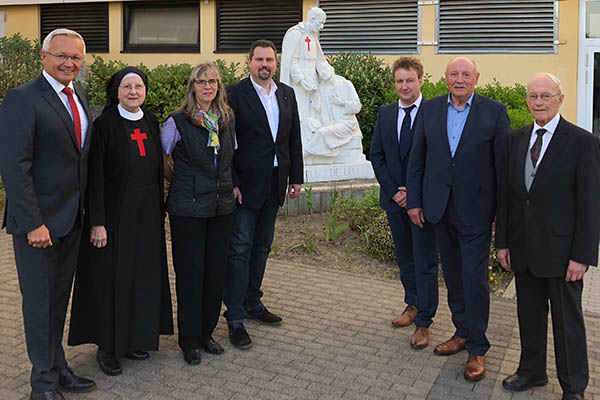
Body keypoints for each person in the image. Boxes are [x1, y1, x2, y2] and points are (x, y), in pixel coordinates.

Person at [0, 28, 96, 400]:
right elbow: (14, 166)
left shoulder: (79, 94)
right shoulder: (22, 99)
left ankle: (58, 368)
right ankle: (41, 385)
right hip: (38, 225)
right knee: (39, 305)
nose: (69, 63)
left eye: (75, 57)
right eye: (61, 56)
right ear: (44, 57)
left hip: (71, 220)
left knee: (58, 302)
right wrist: (33, 222)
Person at [496, 73, 600, 400]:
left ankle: (574, 386)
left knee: (568, 324)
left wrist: (582, 256)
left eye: (546, 96)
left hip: (563, 252)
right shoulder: (515, 140)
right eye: (533, 96)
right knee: (529, 316)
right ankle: (531, 371)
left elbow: (590, 203)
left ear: (560, 99)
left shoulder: (582, 142)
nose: (539, 102)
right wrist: (503, 242)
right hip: (524, 248)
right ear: (526, 99)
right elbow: (509, 197)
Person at [406, 57, 509, 381]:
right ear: (446, 78)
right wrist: (415, 202)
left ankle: (477, 349)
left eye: (466, 74)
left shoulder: (494, 112)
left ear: (477, 78)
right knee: (452, 276)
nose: (460, 79)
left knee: (474, 279)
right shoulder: (431, 109)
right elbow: (417, 159)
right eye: (454, 74)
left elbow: (502, 170)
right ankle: (461, 332)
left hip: (477, 213)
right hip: (439, 209)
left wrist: (499, 215)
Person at [67, 67, 173, 376]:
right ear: (117, 92)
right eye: (127, 87)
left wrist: (161, 209)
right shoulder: (105, 126)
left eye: (139, 86)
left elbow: (157, 169)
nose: (133, 92)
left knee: (142, 277)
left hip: (147, 216)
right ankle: (108, 347)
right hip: (114, 217)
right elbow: (96, 177)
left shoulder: (151, 121)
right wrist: (96, 222)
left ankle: (135, 338)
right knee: (112, 280)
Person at [224, 39, 303, 349]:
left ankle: (253, 302)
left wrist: (296, 176)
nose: (264, 64)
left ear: (276, 62)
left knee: (261, 247)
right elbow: (226, 142)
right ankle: (235, 316)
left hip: (275, 182)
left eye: (269, 59)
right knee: (240, 249)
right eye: (259, 59)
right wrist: (232, 181)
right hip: (245, 185)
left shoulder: (286, 93)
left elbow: (293, 137)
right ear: (249, 62)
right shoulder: (233, 94)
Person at [161, 63, 237, 365]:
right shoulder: (177, 122)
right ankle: (189, 340)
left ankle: (207, 333)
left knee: (215, 274)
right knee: (191, 275)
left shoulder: (226, 119)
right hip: (188, 209)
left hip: (221, 208)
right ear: (192, 86)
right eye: (202, 81)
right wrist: (177, 182)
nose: (208, 87)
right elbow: (162, 157)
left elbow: (231, 158)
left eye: (213, 82)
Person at [370, 57, 438, 350]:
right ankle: (412, 304)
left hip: (421, 203)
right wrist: (395, 192)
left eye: (410, 80)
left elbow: (438, 159)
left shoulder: (435, 113)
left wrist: (414, 193)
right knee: (405, 258)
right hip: (394, 201)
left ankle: (424, 320)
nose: (405, 86)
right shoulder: (386, 114)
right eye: (399, 81)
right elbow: (377, 155)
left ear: (421, 81)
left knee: (425, 261)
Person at [280, 7, 327, 143]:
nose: (321, 27)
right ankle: (301, 142)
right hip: (299, 81)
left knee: (314, 108)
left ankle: (314, 141)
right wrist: (301, 80)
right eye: (320, 23)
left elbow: (319, 59)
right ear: (311, 19)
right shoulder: (295, 33)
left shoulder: (312, 36)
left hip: (313, 77)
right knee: (300, 109)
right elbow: (291, 61)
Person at [304, 61, 364, 164]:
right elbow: (317, 109)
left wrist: (342, 103)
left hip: (346, 124)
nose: (323, 72)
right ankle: (311, 155)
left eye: (325, 68)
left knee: (323, 133)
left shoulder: (345, 84)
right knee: (306, 123)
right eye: (320, 71)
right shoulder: (321, 88)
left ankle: (305, 153)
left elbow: (357, 106)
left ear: (331, 68)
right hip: (328, 122)